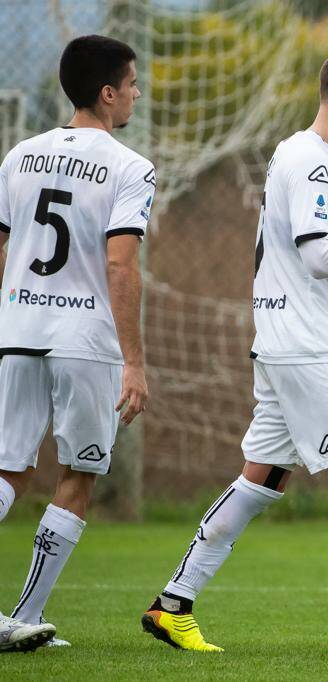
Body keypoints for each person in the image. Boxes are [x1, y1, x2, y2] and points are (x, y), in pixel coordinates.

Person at [141, 50, 328, 655]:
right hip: (308, 351)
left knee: (261, 477)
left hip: (287, 341)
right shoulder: (314, 162)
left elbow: (288, 265)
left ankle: (172, 604)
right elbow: (318, 256)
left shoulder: (297, 155)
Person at [0, 34, 153, 652]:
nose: (138, 94)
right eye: (133, 84)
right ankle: (22, 614)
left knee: (9, 468)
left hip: (16, 330)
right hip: (85, 340)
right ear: (108, 93)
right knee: (80, 471)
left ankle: (17, 621)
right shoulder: (129, 166)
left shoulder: (18, 156)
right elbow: (120, 266)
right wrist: (135, 362)